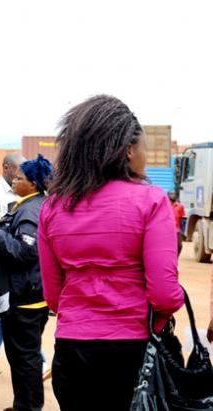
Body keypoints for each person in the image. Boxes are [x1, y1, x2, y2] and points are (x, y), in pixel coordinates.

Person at [38, 95, 184, 410]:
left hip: (72, 351)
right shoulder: (151, 201)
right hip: (133, 352)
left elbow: (53, 296)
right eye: (144, 149)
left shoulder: (53, 208)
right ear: (129, 150)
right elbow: (165, 295)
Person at [0, 155, 53, 411]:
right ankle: (23, 403)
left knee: (25, 357)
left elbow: (26, 252)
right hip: (27, 294)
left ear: (33, 183)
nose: (14, 180)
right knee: (21, 356)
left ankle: (29, 406)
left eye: (20, 178)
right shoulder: (26, 205)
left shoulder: (30, 211)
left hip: (27, 299)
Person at [0, 153, 25, 363]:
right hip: (0, 262)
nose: (21, 175)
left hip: (18, 262)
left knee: (12, 313)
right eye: (18, 169)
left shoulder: (24, 191)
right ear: (6, 167)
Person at [168, 190, 185, 254]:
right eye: (171, 194)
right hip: (167, 230)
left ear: (177, 196)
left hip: (177, 230)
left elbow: (181, 218)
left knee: (179, 246)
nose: (173, 195)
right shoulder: (165, 205)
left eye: (174, 194)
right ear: (168, 195)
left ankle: (175, 259)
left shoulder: (180, 206)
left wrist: (182, 231)